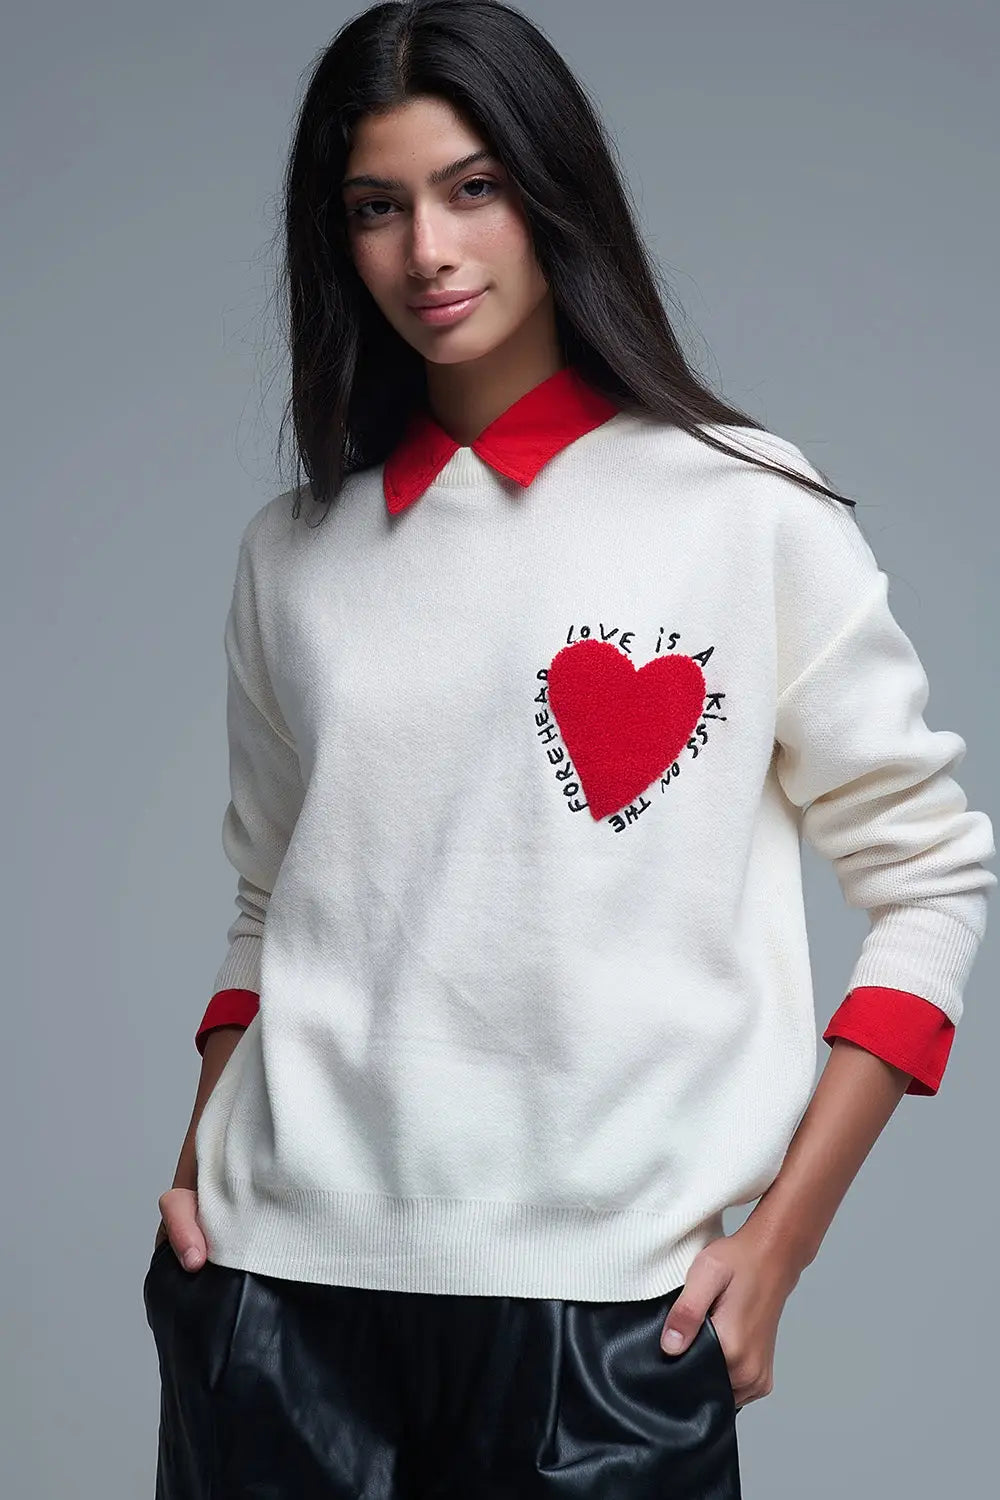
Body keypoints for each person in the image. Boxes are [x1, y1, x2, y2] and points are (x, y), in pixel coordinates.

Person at [142, 2, 996, 1496]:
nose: (429, 251)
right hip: (272, 1298)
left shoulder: (749, 511)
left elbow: (932, 876)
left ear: (552, 192)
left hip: (604, 1320)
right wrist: (196, 1159)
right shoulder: (292, 554)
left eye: (472, 188)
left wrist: (781, 1243)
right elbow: (272, 894)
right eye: (377, 207)